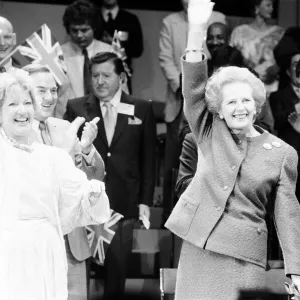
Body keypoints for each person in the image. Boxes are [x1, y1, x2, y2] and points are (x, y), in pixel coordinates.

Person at [165, 1, 300, 299]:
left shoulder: (282, 152)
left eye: (246, 100)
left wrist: (296, 269)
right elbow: (193, 85)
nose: (240, 108)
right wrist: (197, 29)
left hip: (244, 255)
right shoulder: (208, 130)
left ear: (257, 104)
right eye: (231, 102)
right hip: (199, 245)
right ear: (219, 110)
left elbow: (287, 213)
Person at [0, 70, 111, 300]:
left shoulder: (51, 156)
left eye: (28, 102)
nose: (23, 110)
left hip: (49, 252)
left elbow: (75, 193)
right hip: (9, 257)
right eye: (13, 104)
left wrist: (91, 195)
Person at [64, 52, 156, 299]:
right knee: (82, 268)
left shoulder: (142, 108)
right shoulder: (76, 107)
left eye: (106, 75)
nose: (100, 81)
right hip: (84, 203)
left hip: (123, 203)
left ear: (122, 77)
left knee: (117, 272)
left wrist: (145, 201)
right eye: (95, 76)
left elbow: (149, 159)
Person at [159, 0, 226, 221]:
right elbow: (166, 59)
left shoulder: (218, 18)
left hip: (212, 95)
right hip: (180, 97)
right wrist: (184, 89)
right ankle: (172, 218)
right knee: (173, 164)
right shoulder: (170, 22)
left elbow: (220, 55)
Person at [61, 0, 111, 106]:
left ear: (94, 28)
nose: (79, 35)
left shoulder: (109, 52)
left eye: (84, 30)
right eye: (74, 30)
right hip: (66, 118)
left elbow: (122, 92)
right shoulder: (58, 54)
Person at [230, 0, 284, 96]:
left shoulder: (278, 33)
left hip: (271, 88)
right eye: (268, 5)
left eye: (272, 5)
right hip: (245, 88)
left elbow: (284, 59)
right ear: (257, 7)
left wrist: (276, 68)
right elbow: (231, 59)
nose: (272, 9)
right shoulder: (239, 32)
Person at [269, 37, 300, 201]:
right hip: (290, 162)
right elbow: (276, 122)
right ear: (288, 71)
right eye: (296, 65)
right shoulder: (278, 96)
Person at [96, 0, 143, 93]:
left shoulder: (130, 19)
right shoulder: (92, 17)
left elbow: (138, 50)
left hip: (121, 74)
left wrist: (115, 45)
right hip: (95, 74)